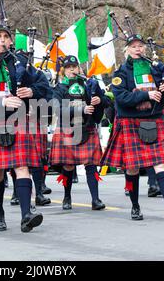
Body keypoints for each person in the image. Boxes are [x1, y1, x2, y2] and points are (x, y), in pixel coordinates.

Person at [0, 23, 50, 232]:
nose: (3, 40)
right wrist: (2, 103)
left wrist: (32, 91)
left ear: (10, 41)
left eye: (6, 36)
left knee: (22, 166)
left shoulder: (20, 62)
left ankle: (26, 215)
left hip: (18, 120)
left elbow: (43, 84)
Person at [101, 34, 164, 221]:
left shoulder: (155, 68)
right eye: (133, 46)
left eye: (140, 45)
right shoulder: (120, 73)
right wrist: (146, 95)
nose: (138, 48)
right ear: (127, 50)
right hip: (130, 121)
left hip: (153, 119)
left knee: (160, 163)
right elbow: (121, 98)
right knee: (132, 168)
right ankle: (135, 206)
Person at [50, 55, 111, 211]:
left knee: (91, 165)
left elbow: (108, 101)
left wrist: (99, 100)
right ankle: (67, 196)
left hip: (87, 128)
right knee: (68, 167)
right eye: (68, 67)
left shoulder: (88, 85)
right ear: (63, 71)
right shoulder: (59, 88)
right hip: (67, 129)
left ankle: (95, 199)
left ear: (79, 68)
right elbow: (58, 109)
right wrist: (80, 109)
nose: (72, 70)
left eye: (74, 67)